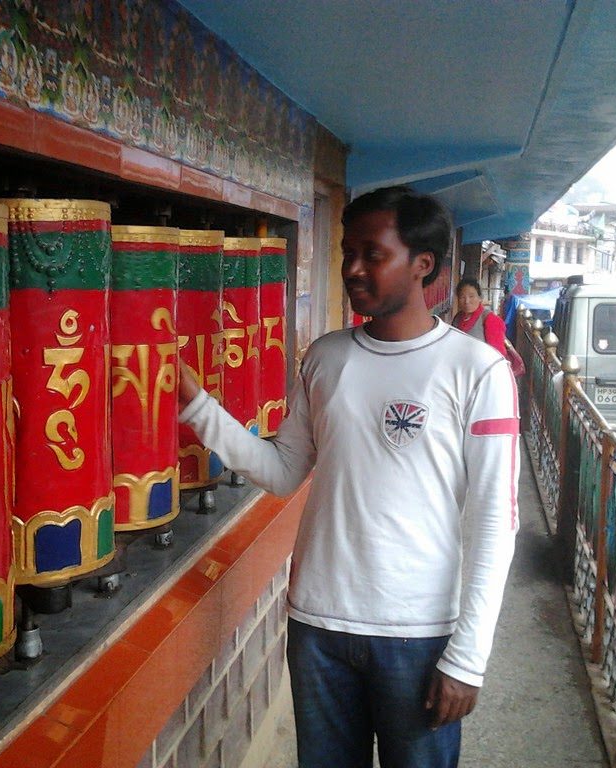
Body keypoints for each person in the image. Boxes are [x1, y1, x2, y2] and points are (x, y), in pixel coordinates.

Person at [177, 185, 518, 768]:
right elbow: (284, 472)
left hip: (420, 634)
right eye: (346, 252)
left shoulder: (477, 370)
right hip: (317, 626)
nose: (352, 269)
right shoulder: (326, 358)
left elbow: (493, 522)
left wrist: (468, 657)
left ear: (423, 264)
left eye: (372, 253)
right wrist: (197, 405)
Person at [451, 277, 508, 357]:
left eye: (471, 296)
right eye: (462, 297)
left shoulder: (490, 319)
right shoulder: (457, 318)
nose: (467, 301)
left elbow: (498, 355)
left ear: (480, 297)